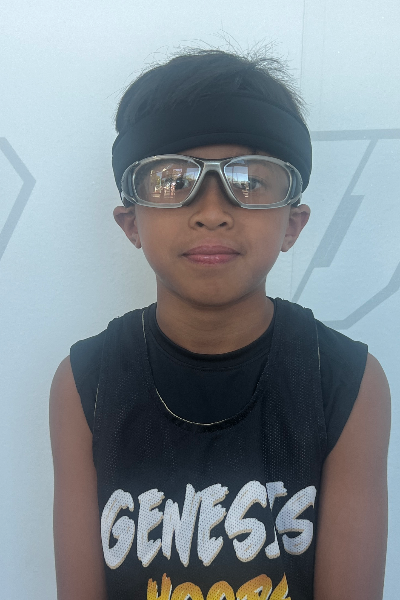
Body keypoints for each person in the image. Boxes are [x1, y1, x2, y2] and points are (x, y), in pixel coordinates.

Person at [49, 48, 391, 600]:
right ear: (131, 222)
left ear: (293, 224)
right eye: (173, 180)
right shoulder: (86, 381)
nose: (212, 211)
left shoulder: (345, 380)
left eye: (251, 181)